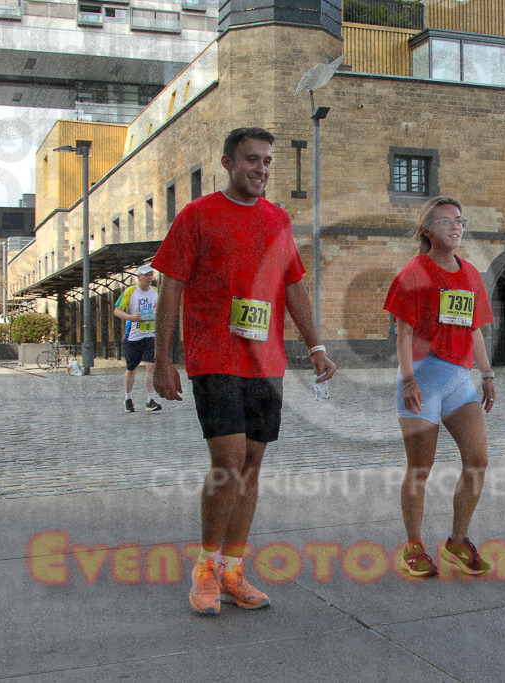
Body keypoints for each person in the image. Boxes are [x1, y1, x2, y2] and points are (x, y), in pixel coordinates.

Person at [152, 127, 336, 615]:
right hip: (214, 355)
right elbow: (171, 287)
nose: (261, 168)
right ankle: (206, 567)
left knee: (252, 463)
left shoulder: (278, 219)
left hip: (266, 360)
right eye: (252, 159)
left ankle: (233, 569)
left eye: (267, 160)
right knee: (229, 460)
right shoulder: (197, 215)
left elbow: (293, 285)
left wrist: (316, 346)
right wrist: (163, 360)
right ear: (228, 163)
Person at [383, 196, 496, 579]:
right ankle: (413, 546)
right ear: (428, 230)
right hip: (422, 378)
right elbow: (403, 335)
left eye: (459, 221)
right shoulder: (413, 272)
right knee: (420, 467)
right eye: (446, 221)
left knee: (477, 460)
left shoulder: (471, 274)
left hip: (459, 379)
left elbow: (474, 329)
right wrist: (409, 381)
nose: (456, 227)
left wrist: (487, 374)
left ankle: (457, 542)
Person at [114, 264, 162, 412]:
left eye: (151, 274)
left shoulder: (155, 291)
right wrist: (130, 317)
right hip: (133, 337)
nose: (150, 277)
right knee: (131, 369)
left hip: (150, 335)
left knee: (151, 366)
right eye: (146, 275)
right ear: (139, 277)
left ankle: (150, 400)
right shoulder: (130, 291)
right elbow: (117, 311)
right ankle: (128, 398)